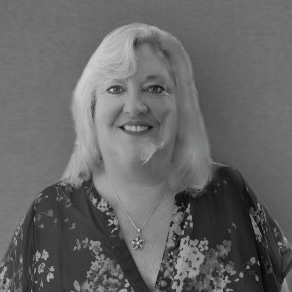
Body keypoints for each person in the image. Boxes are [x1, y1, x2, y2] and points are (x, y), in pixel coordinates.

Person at [0, 23, 291, 292]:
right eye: (115, 88)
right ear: (92, 108)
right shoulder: (48, 216)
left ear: (181, 107)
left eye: (155, 88)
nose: (135, 106)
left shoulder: (230, 193)